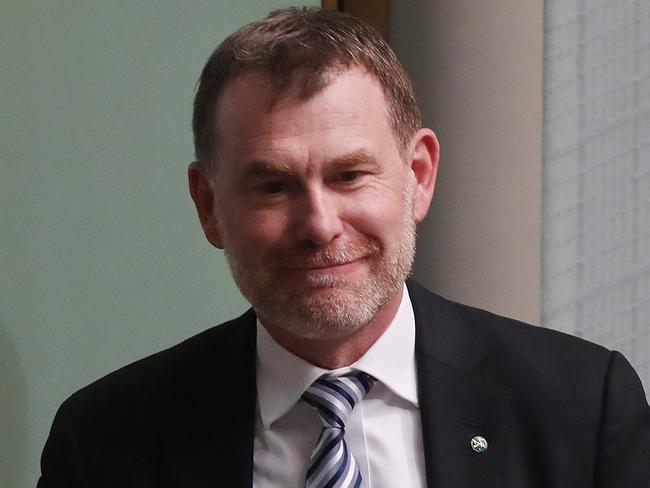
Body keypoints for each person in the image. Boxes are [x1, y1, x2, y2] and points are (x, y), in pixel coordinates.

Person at [38, 7, 650, 488]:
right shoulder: (104, 446)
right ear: (209, 205)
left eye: (349, 175)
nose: (320, 224)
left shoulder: (580, 409)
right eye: (273, 185)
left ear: (419, 176)